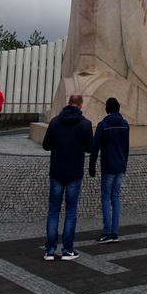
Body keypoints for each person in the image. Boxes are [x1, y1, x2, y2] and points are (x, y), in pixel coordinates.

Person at [42, 94, 94, 261]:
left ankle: (50, 250)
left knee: (53, 211)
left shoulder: (55, 122)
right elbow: (89, 148)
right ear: (80, 105)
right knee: (71, 212)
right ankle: (67, 250)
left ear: (68, 103)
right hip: (74, 173)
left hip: (57, 171)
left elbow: (46, 145)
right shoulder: (85, 124)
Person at [90, 97, 130, 243]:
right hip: (120, 166)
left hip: (108, 166)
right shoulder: (125, 124)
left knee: (106, 198)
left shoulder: (103, 125)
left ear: (107, 109)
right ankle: (114, 232)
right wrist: (124, 164)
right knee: (116, 198)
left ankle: (107, 231)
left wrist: (91, 165)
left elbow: (95, 147)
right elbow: (126, 148)